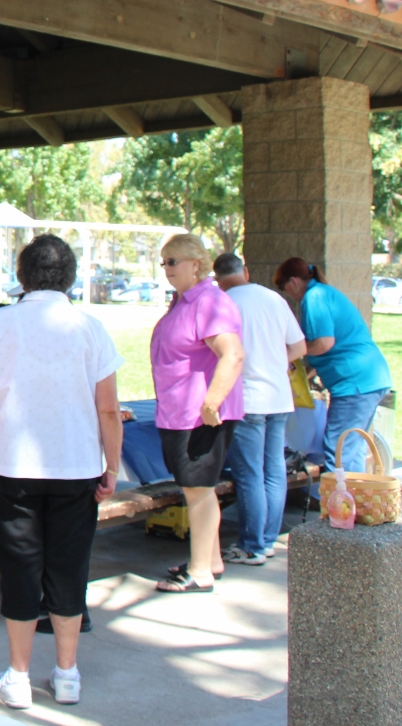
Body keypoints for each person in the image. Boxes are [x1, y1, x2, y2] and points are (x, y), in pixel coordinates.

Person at [0, 235, 123, 709]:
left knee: (20, 566)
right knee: (69, 566)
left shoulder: (1, 322)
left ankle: (17, 676)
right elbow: (110, 409)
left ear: (22, 275)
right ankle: (67, 672)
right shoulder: (89, 327)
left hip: (10, 464)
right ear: (71, 276)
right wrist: (111, 467)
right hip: (77, 464)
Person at [151, 233, 245, 593]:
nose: (167, 269)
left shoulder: (209, 301)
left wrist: (212, 402)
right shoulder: (184, 301)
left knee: (198, 490)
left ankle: (200, 571)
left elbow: (232, 354)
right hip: (179, 411)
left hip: (199, 415)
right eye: (164, 262)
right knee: (197, 488)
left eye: (173, 261)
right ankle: (209, 559)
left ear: (196, 263)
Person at [214, 253, 306, 565]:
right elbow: (298, 347)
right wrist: (281, 364)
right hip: (279, 396)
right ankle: (266, 540)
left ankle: (252, 544)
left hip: (246, 399)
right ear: (246, 271)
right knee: (274, 470)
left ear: (217, 278)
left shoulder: (223, 303)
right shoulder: (275, 299)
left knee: (249, 473)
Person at [273, 257, 391, 476]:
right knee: (351, 449)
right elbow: (323, 352)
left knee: (338, 450)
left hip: (354, 383)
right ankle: (354, 504)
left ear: (294, 281)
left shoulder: (314, 297)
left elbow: (323, 344)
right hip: (369, 379)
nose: (286, 293)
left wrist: (292, 350)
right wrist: (300, 378)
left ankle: (338, 507)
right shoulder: (324, 293)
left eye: (283, 287)